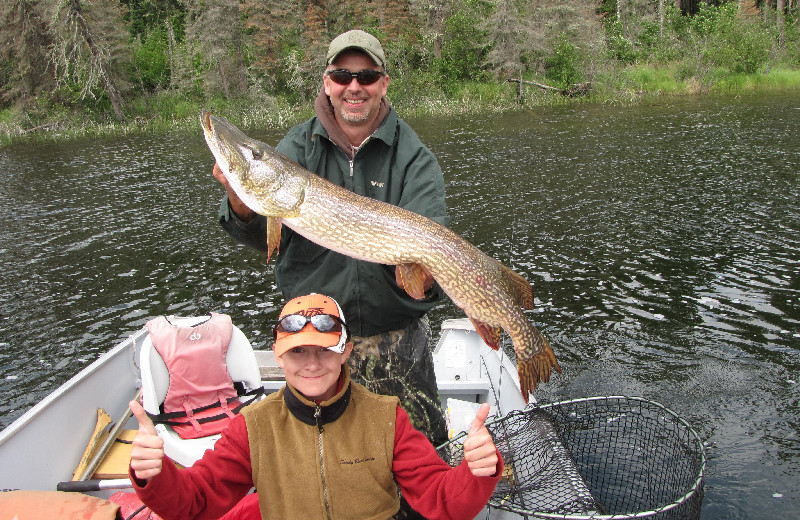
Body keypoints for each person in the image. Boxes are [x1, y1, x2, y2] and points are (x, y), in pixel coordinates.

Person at [213, 29, 450, 450]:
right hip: (315, 343)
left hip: (393, 338)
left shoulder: (414, 157)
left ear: (383, 84)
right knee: (327, 465)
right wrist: (240, 194)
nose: (353, 86)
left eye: (366, 76)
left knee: (419, 461)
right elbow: (262, 236)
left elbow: (427, 262)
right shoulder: (297, 148)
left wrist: (423, 275)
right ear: (327, 83)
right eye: (342, 75)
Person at [128, 293, 503, 520]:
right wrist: (154, 475)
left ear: (346, 352)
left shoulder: (386, 416)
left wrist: (476, 472)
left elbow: (441, 500)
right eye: (298, 351)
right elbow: (195, 503)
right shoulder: (252, 427)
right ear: (277, 355)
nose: (311, 364)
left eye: (324, 350)